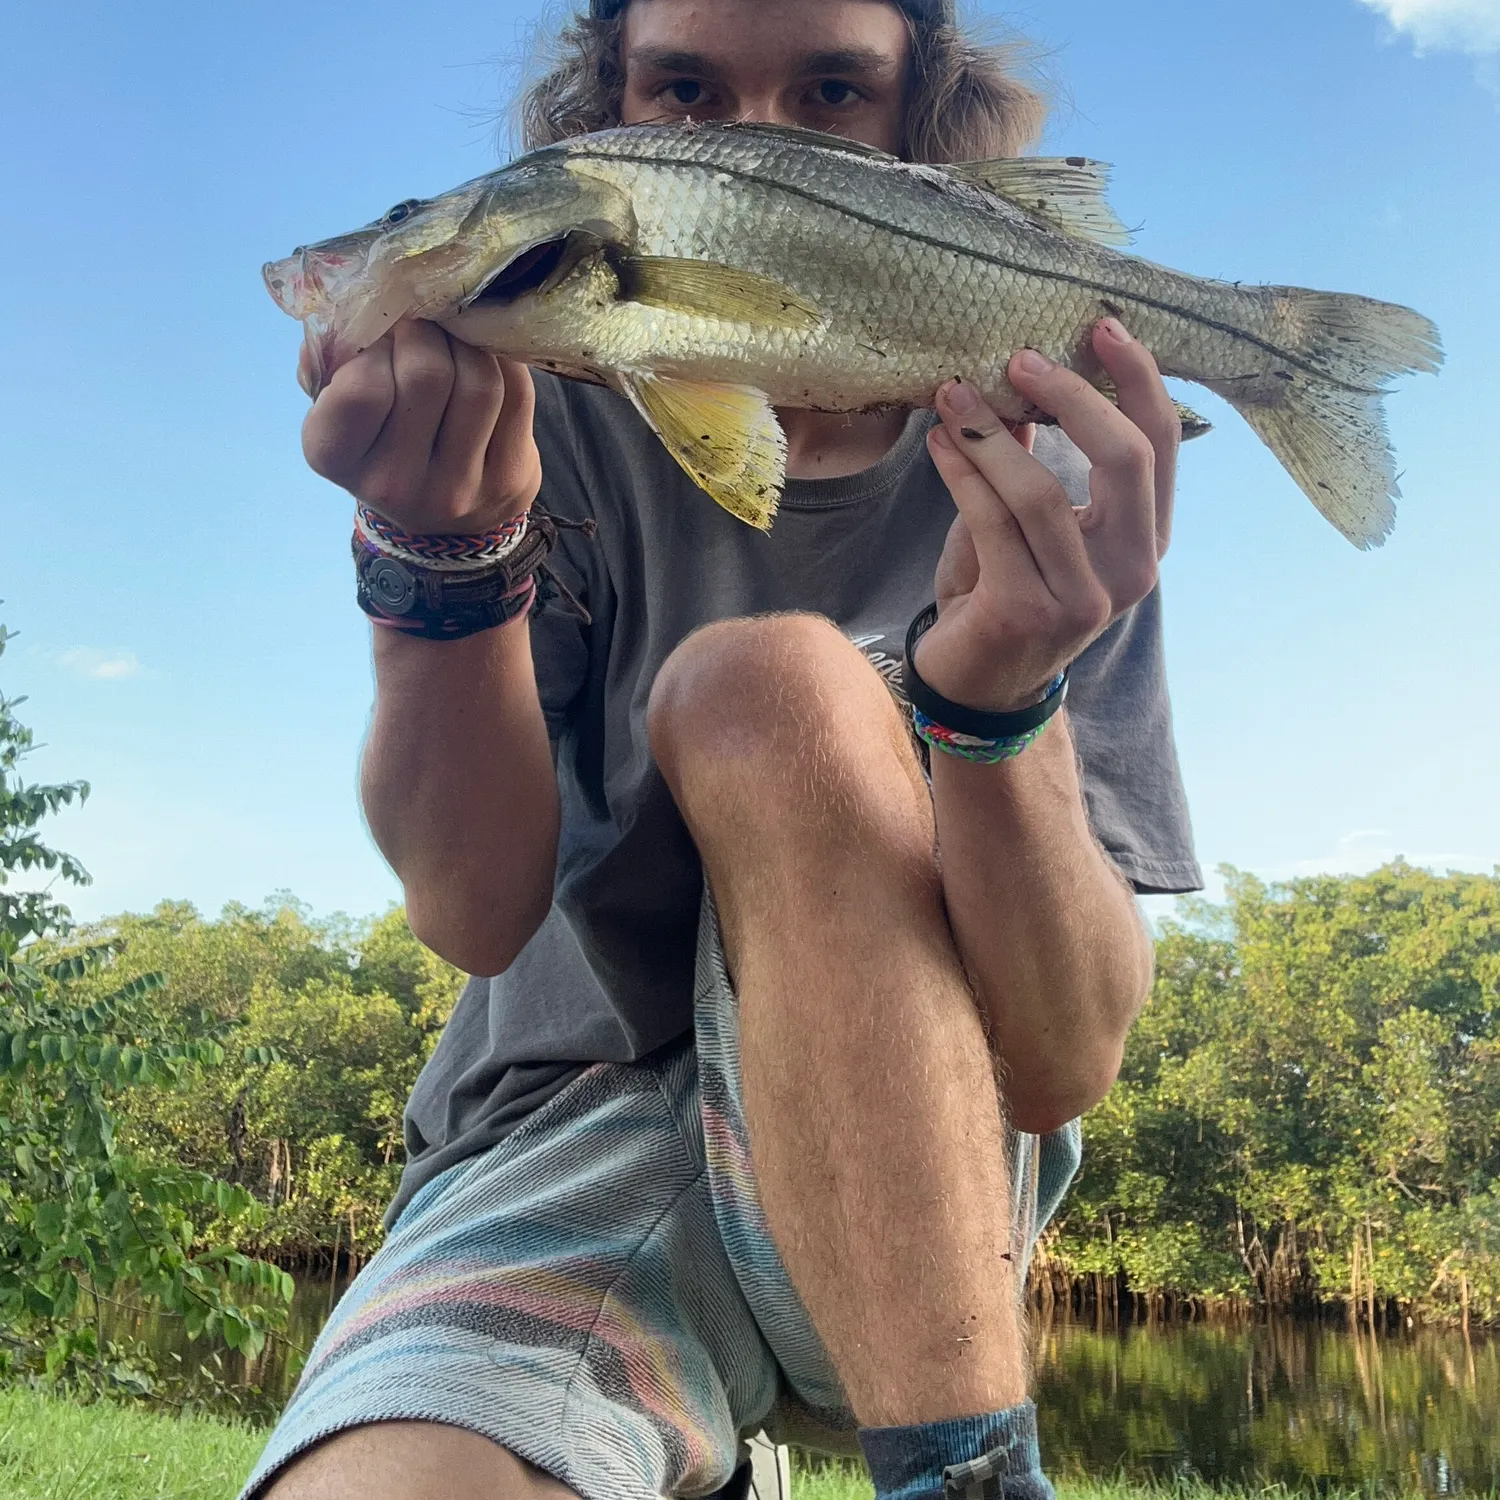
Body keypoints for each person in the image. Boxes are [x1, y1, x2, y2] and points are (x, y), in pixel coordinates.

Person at [248, 1, 1202, 1497]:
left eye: (831, 91)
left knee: (777, 693)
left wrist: (1001, 700)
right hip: (560, 1127)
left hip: (918, 1173)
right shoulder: (540, 415)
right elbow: (473, 909)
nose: (754, 141)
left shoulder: (1062, 497)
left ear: (918, 138)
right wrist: (438, 564)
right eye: (685, 90)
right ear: (602, 134)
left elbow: (1065, 1055)